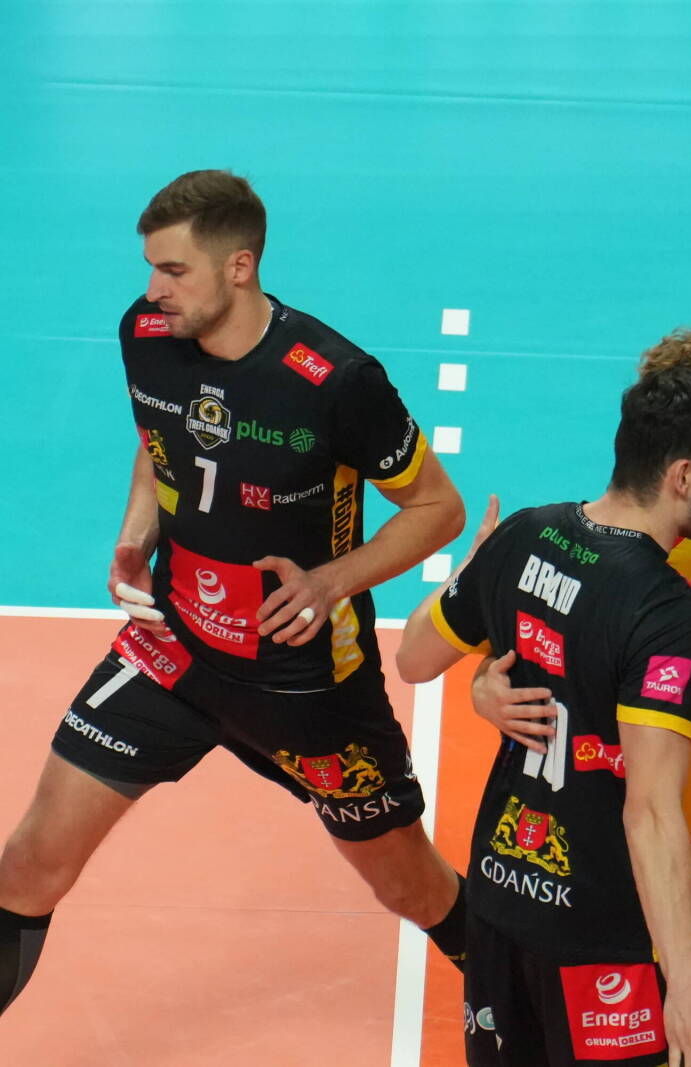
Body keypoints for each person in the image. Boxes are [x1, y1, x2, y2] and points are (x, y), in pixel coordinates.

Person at [0, 169, 471, 1017]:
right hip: (173, 652)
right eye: (151, 267)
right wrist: (137, 537)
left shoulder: (335, 380)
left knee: (412, 888)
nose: (154, 289)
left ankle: (527, 1006)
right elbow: (159, 436)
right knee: (29, 864)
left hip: (306, 682)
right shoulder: (147, 334)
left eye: (174, 270)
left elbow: (440, 509)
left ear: (240, 266)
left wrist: (331, 580)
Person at [396, 367, 691, 1067]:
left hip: (501, 897)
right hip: (601, 933)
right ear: (683, 476)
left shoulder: (523, 533)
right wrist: (689, 982)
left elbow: (414, 659)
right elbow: (651, 810)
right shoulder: (670, 613)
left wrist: (472, 571)